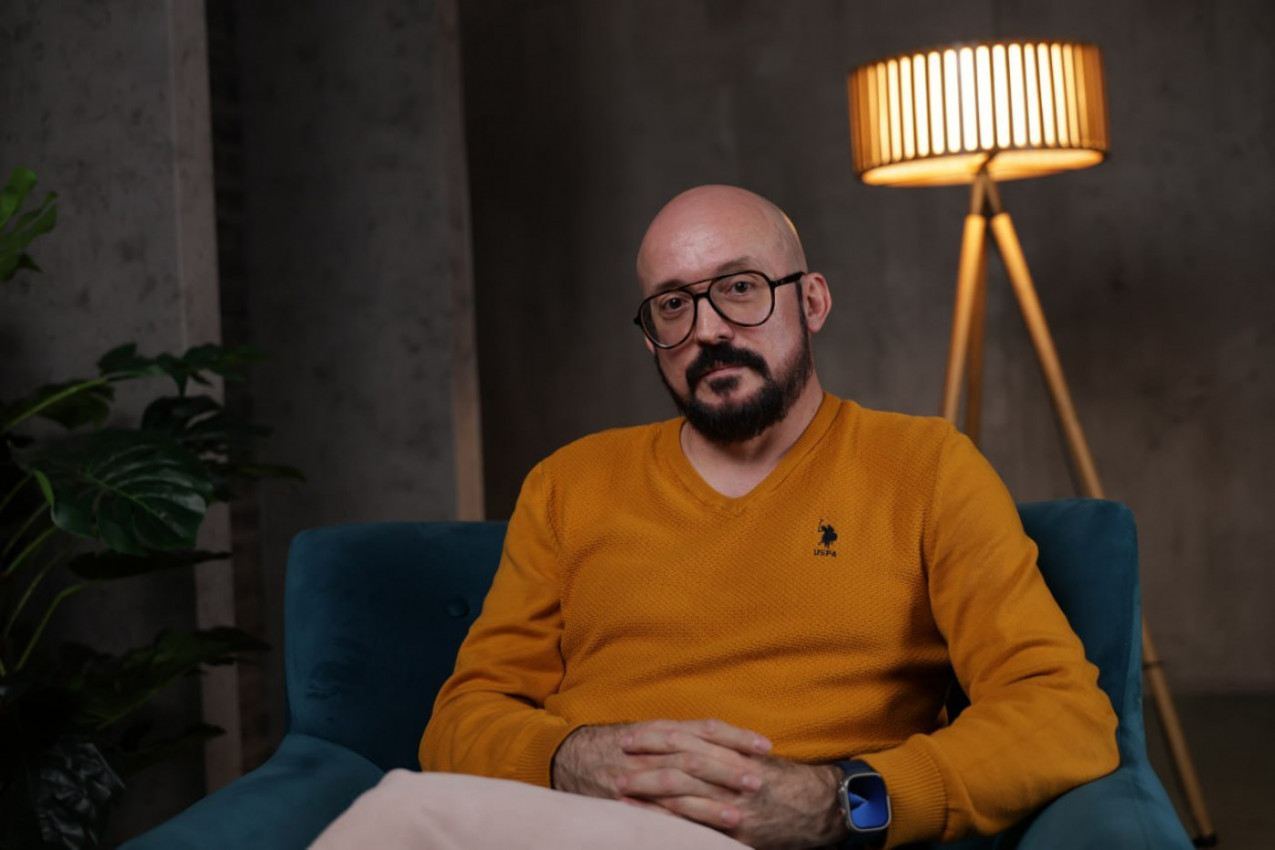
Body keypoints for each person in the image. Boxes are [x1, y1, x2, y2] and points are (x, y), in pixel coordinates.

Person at [311, 185, 1118, 850]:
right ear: (650, 338)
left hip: (780, 840)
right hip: (574, 826)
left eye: (738, 288)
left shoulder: (925, 467)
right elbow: (461, 719)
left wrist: (841, 802)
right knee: (401, 811)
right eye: (672, 304)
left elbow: (1062, 714)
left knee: (399, 815)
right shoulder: (568, 484)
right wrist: (568, 758)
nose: (706, 331)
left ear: (811, 300)